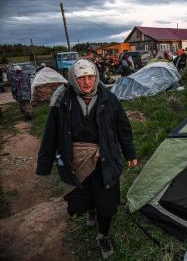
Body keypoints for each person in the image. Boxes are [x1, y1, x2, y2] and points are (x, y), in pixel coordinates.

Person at [36, 59, 138, 259]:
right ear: (73, 79)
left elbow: (123, 129)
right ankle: (91, 210)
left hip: (105, 158)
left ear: (96, 77)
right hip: (76, 159)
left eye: (91, 77)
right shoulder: (62, 101)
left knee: (106, 200)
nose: (88, 82)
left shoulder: (109, 99)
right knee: (83, 195)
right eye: (82, 78)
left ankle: (103, 235)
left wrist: (131, 154)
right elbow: (51, 134)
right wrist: (44, 164)